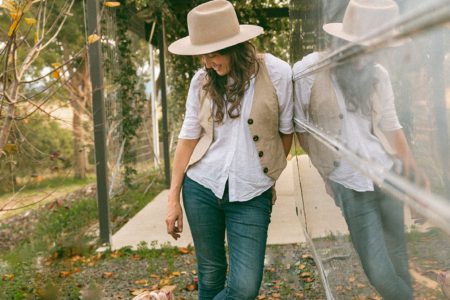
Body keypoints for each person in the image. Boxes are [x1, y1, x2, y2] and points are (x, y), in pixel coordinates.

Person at [293, 0, 426, 299]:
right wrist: (326, 174)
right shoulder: (308, 71)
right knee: (378, 270)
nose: (366, 55)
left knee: (398, 265)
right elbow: (302, 129)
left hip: (388, 177)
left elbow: (392, 128)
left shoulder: (378, 75)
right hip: (350, 184)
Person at [165, 1, 293, 299]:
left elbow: (285, 132)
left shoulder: (276, 73)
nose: (207, 63)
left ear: (236, 46)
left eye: (213, 54)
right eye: (203, 55)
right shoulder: (201, 81)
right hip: (201, 187)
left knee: (244, 288)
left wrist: (269, 177)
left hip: (251, 193)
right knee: (210, 276)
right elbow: (187, 139)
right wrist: (173, 199)